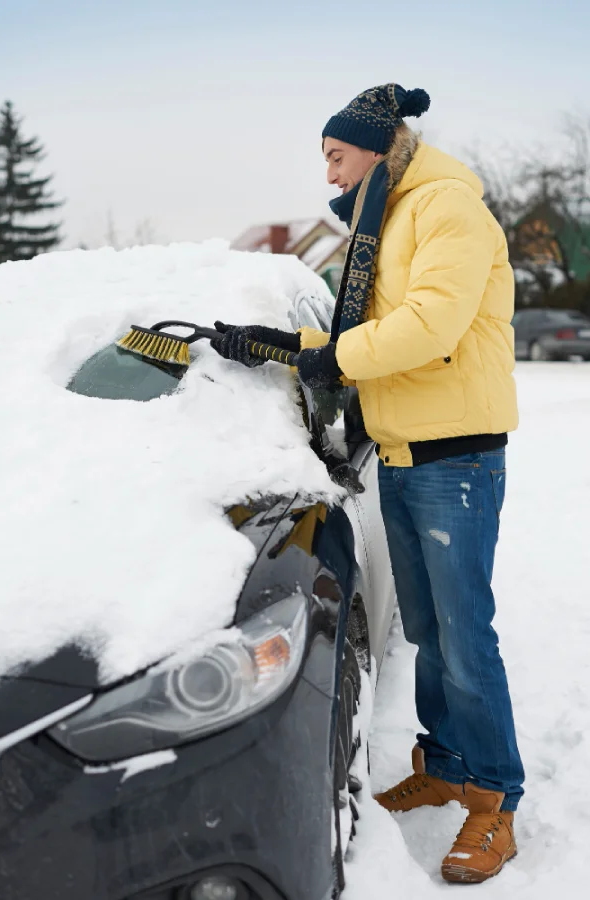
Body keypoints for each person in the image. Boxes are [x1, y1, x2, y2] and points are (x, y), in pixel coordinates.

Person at [212, 82, 524, 884]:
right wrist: (279, 345)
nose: (329, 173)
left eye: (336, 155)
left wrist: (323, 356)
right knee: (427, 629)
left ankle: (495, 803)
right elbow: (360, 337)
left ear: (377, 150)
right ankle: (447, 763)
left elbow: (429, 327)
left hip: (456, 456)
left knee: (465, 636)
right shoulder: (387, 218)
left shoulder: (446, 207)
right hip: (405, 450)